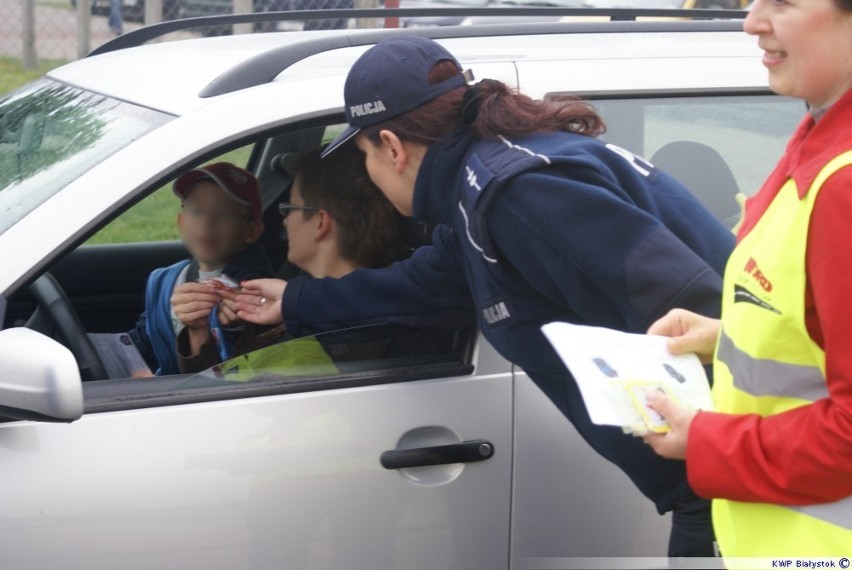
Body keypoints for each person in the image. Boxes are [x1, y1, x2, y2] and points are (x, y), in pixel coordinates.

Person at [234, 35, 735, 556]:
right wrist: (295, 300)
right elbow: (425, 282)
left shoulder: (521, 195)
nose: (370, 174)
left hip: (729, 479)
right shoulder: (479, 192)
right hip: (710, 477)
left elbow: (699, 307)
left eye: (364, 157)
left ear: (392, 146)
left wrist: (732, 452)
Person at [642, 0, 852, 557]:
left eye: (783, 2)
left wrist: (706, 441)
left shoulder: (845, 183)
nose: (752, 21)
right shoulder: (819, 136)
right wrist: (728, 332)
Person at [174, 145, 401, 373]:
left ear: (320, 223)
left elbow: (214, 397)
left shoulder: (306, 352)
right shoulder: (358, 308)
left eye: (290, 208)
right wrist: (201, 329)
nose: (284, 221)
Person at [129, 162, 274, 376]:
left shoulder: (254, 290)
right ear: (181, 222)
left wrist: (235, 328)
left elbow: (248, 362)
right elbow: (143, 339)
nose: (207, 222)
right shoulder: (164, 280)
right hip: (165, 389)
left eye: (223, 214)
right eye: (196, 211)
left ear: (251, 231)